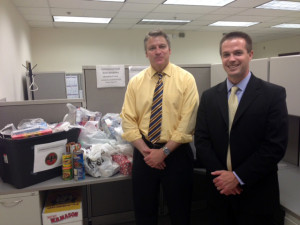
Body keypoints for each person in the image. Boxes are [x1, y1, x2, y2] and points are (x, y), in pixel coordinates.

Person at [194, 31, 288, 225]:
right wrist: (223, 179)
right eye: (226, 54)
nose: (232, 59)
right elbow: (202, 141)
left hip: (256, 191)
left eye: (238, 53)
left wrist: (237, 177)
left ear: (250, 54)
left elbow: (275, 146)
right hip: (218, 191)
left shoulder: (273, 94)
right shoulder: (209, 96)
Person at [120, 29, 199, 225]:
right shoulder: (135, 83)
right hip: (144, 152)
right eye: (152, 48)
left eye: (162, 46)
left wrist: (163, 152)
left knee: (180, 210)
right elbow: (128, 120)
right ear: (146, 53)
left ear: (170, 50)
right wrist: (147, 152)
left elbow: (188, 121)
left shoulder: (186, 79)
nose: (158, 51)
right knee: (144, 209)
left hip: (176, 153)